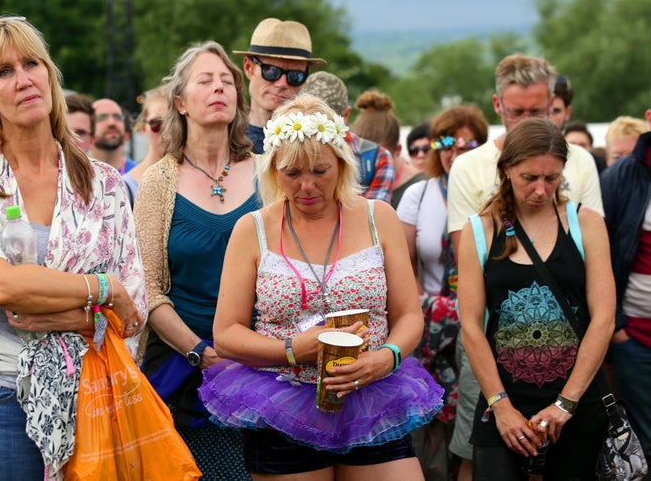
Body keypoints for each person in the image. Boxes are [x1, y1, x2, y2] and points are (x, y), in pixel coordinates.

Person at [0, 16, 147, 480]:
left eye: (31, 63)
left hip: (94, 397)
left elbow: (135, 309)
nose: (23, 79)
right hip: (1, 400)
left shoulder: (108, 186)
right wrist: (101, 287)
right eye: (3, 71)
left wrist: (67, 312)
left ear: (49, 74)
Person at [198, 93, 444, 480]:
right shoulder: (253, 229)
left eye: (320, 170)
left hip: (371, 397)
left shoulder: (379, 218)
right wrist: (296, 349)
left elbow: (410, 315)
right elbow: (226, 335)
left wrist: (387, 358)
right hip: (283, 402)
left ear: (343, 164)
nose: (307, 186)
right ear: (273, 170)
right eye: (292, 174)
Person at [446, 54, 604, 481]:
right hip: (504, 397)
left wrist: (566, 404)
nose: (540, 190)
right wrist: (501, 407)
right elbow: (472, 324)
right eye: (529, 178)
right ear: (506, 171)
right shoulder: (480, 231)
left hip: (576, 399)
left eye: (552, 179)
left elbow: (602, 317)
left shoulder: (585, 223)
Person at [134, 40, 259, 481]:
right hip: (182, 372)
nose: (219, 88)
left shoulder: (269, 173)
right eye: (205, 81)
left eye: (228, 81)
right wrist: (202, 354)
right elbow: (146, 289)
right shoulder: (157, 183)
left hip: (267, 369)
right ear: (181, 102)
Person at [396, 104, 488, 481]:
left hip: (479, 320)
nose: (456, 154)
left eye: (467, 145)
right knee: (426, 419)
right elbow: (402, 266)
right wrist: (433, 308)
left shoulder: (492, 195)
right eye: (447, 144)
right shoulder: (419, 195)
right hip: (428, 324)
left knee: (470, 415)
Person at [600, 107, 651, 463]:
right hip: (635, 339)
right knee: (644, 443)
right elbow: (598, 253)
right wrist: (616, 327)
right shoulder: (622, 176)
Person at [234, 17, 325, 154]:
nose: (282, 83)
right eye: (271, 71)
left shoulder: (317, 143)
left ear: (306, 77)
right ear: (248, 67)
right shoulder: (224, 137)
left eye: (295, 75)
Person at [301, 71, 395, 203]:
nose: (317, 134)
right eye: (310, 122)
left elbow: (372, 219)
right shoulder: (281, 152)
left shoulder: (376, 159)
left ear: (345, 116)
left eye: (326, 124)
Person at [352, 89, 423, 208]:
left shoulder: (422, 185)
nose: (372, 165)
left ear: (398, 150)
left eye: (380, 157)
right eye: (366, 156)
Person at [123, 85, 169, 203]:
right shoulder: (126, 187)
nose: (167, 130)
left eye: (173, 122)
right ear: (143, 128)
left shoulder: (198, 181)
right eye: (157, 124)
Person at [91, 97, 137, 174]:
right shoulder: (77, 174)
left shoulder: (139, 175)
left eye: (117, 117)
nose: (112, 123)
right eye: (102, 117)